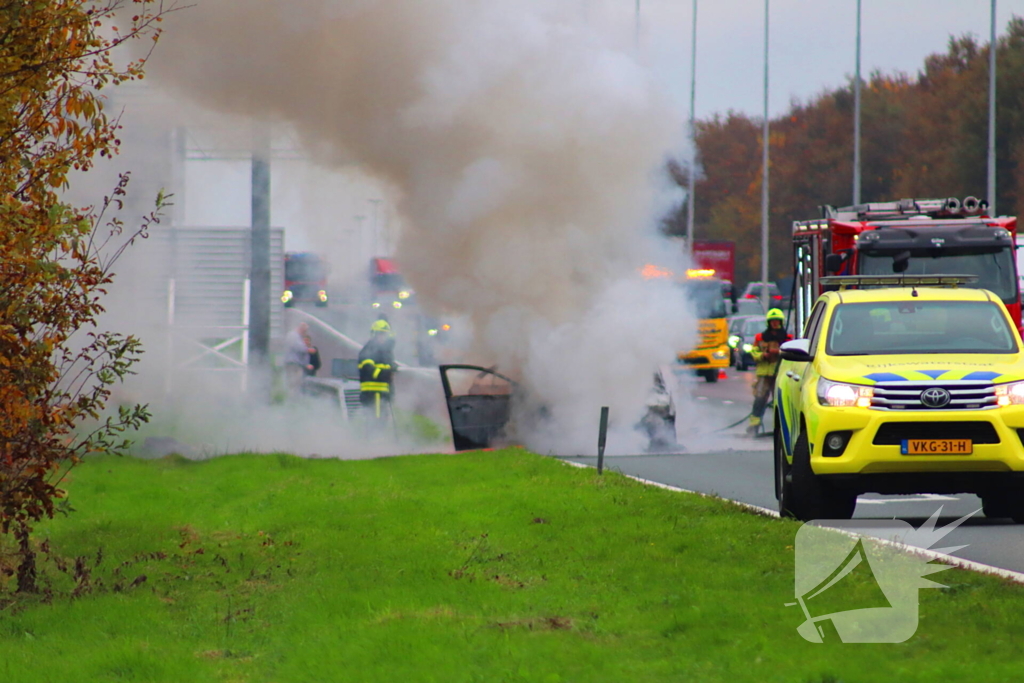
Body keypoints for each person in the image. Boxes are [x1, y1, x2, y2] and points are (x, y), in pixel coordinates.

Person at [748, 308, 792, 434]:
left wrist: (778, 352)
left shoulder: (787, 338)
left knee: (779, 401)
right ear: (768, 322)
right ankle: (754, 425)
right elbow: (754, 352)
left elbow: (791, 352)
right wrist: (763, 355)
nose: (775, 323)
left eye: (777, 321)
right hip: (764, 374)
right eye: (772, 321)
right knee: (759, 400)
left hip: (780, 374)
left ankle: (781, 428)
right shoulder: (760, 337)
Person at [358, 319, 396, 424]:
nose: (382, 337)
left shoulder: (385, 352)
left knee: (382, 423)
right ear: (374, 334)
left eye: (384, 334)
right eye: (380, 334)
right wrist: (388, 371)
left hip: (382, 394)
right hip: (372, 395)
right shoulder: (368, 350)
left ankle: (378, 440)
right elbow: (369, 371)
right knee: (374, 424)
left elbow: (387, 370)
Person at [284, 322, 316, 396]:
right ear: (301, 329)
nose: (305, 333)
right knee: (294, 383)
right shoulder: (293, 336)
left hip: (296, 364)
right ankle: (292, 399)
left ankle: (295, 398)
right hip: (293, 364)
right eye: (305, 331)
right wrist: (308, 350)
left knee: (297, 383)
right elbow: (299, 348)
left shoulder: (297, 336)